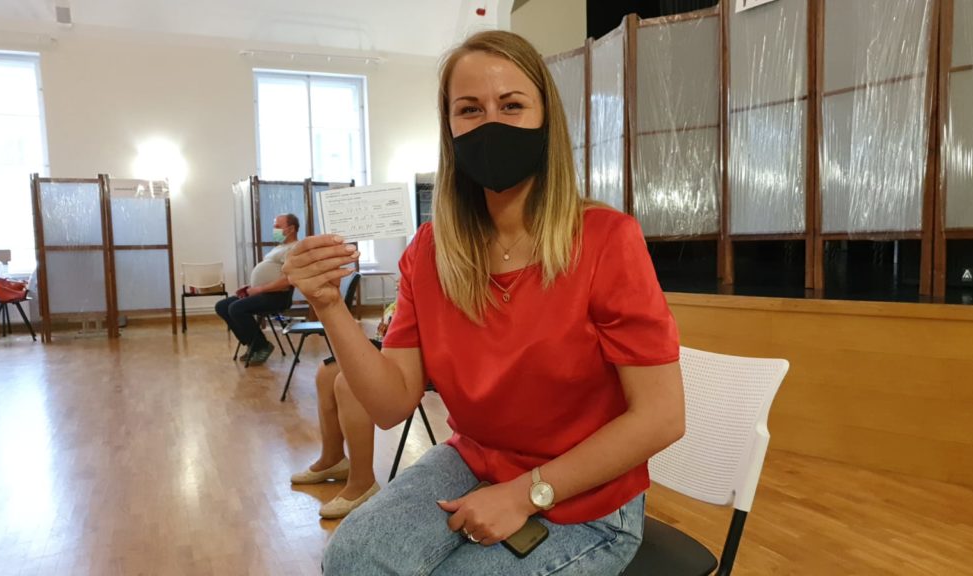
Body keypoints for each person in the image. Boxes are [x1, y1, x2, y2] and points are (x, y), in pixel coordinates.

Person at [283, 30, 685, 575]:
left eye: (512, 105)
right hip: (473, 462)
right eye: (469, 109)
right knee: (351, 557)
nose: (490, 123)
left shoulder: (606, 240)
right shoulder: (429, 251)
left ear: (546, 120)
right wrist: (329, 304)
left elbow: (662, 417)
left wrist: (525, 493)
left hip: (589, 496)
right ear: (449, 129)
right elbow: (389, 405)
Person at [289, 303, 400, 519]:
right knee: (327, 372)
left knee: (349, 383)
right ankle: (333, 459)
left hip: (422, 351)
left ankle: (363, 482)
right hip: (394, 343)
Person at [215, 213, 298, 365]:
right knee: (222, 306)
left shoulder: (294, 249)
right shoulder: (279, 247)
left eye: (278, 226)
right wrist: (250, 287)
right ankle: (252, 344)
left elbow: (287, 281)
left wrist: (259, 289)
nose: (274, 230)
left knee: (236, 308)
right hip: (262, 292)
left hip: (277, 296)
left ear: (291, 229)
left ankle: (261, 346)